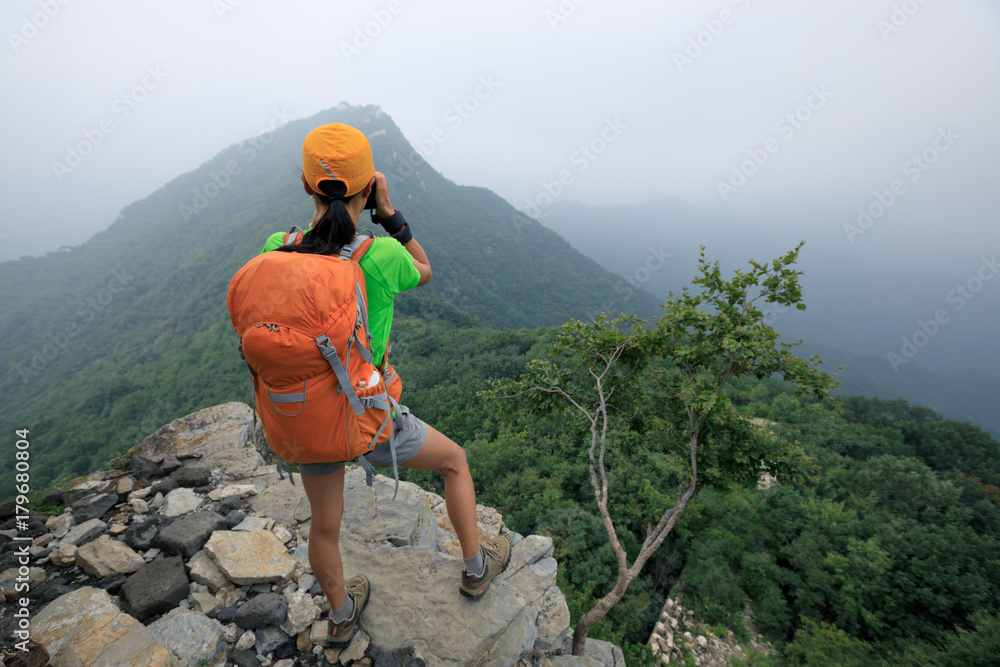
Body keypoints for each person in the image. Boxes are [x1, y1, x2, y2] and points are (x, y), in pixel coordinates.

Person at [261, 123, 511, 648]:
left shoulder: (275, 249)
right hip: (367, 420)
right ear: (367, 187)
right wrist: (391, 214)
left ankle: (342, 613)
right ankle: (474, 569)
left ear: (306, 184)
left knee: (324, 528)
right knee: (455, 462)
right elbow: (426, 268)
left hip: (304, 417)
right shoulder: (380, 256)